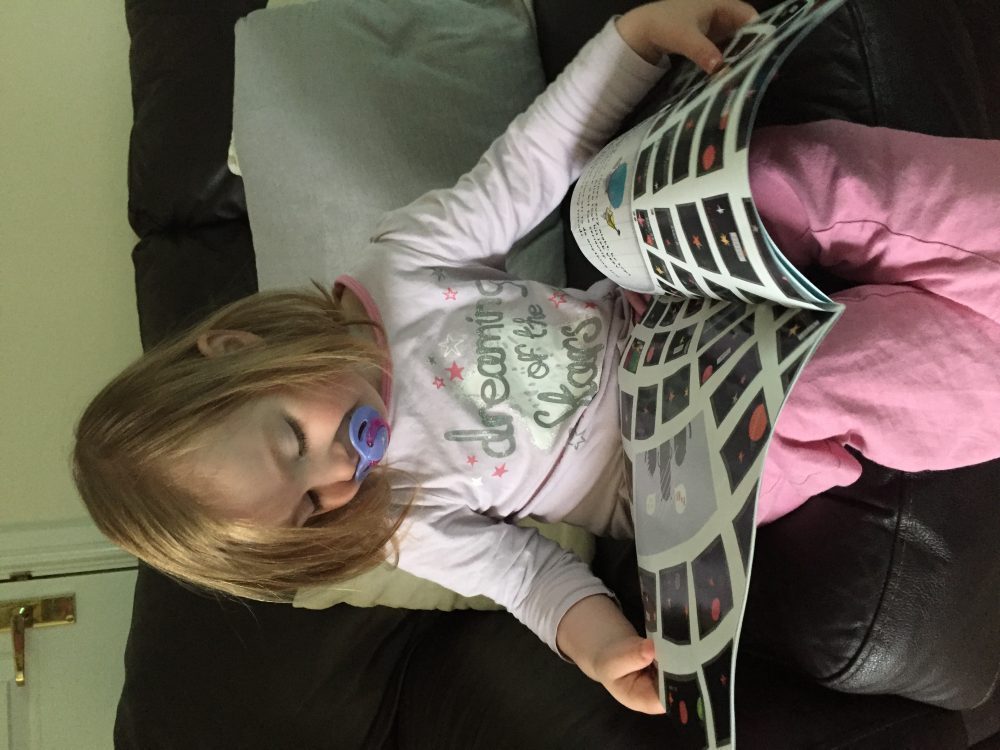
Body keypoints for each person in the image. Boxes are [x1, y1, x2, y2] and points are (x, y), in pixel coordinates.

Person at [73, 0, 1000, 717]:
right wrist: (598, 649)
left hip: (662, 310)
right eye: (309, 504)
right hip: (673, 466)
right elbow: (523, 577)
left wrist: (632, 41)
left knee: (774, 183)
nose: (337, 471)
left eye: (291, 438)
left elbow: (528, 167)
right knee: (814, 388)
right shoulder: (399, 513)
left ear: (238, 349)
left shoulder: (398, 268)